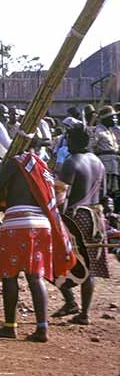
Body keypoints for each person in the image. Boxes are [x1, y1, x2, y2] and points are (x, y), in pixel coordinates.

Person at [0, 137, 77, 342]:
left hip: (18, 223)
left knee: (10, 275)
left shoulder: (17, 162)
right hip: (42, 225)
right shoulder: (43, 168)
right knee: (35, 276)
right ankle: (42, 328)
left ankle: (10, 326)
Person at [53, 124, 110, 325]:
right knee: (90, 267)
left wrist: (55, 219)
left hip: (76, 218)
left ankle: (70, 301)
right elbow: (103, 195)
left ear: (74, 140)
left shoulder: (71, 162)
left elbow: (60, 197)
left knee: (54, 260)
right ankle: (83, 313)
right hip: (96, 216)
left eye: (68, 138)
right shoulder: (99, 163)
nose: (66, 141)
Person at [90, 106, 120, 212]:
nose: (115, 120)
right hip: (105, 166)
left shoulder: (111, 131)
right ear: (105, 119)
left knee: (114, 192)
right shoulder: (98, 130)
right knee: (106, 191)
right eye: (113, 118)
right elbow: (91, 147)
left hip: (114, 165)